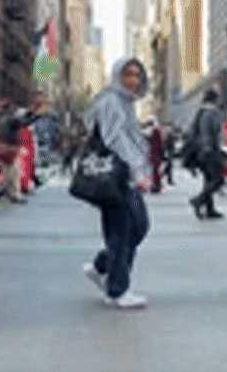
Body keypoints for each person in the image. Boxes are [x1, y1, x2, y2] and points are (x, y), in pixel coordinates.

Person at [82, 57, 152, 309]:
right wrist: (138, 171)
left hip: (124, 177)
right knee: (125, 229)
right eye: (127, 75)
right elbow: (115, 139)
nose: (133, 80)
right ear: (116, 76)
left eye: (137, 75)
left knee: (136, 227)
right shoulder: (112, 101)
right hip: (116, 177)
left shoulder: (124, 102)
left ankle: (102, 267)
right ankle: (117, 288)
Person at [188, 89, 225, 220]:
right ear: (215, 99)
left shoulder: (200, 112)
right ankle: (198, 200)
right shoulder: (214, 112)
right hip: (211, 150)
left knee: (208, 179)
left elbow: (192, 132)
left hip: (200, 151)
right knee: (218, 180)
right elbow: (218, 130)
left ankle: (210, 210)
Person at [146, 116, 164, 193]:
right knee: (155, 171)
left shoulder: (146, 132)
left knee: (153, 171)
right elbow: (160, 143)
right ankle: (156, 186)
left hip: (149, 153)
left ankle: (155, 186)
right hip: (155, 153)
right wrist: (162, 154)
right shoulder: (156, 130)